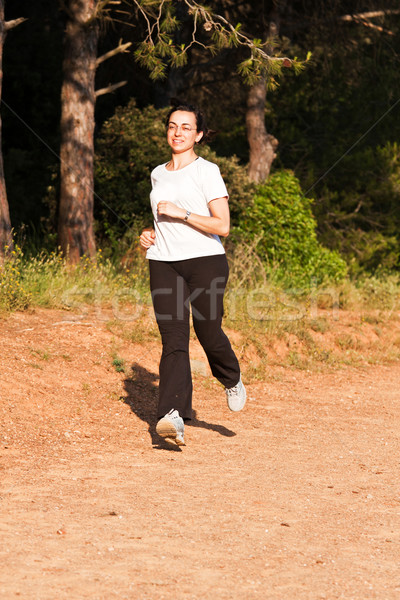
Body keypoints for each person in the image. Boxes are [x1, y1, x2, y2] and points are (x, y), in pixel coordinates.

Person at [139, 100, 246, 447]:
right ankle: (172, 416)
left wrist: (181, 213)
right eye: (172, 126)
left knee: (208, 331)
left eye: (186, 127)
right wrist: (149, 234)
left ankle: (231, 378)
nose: (178, 132)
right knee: (173, 339)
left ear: (198, 134)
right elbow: (161, 218)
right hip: (164, 262)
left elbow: (223, 225)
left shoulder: (207, 171)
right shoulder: (157, 172)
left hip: (205, 262)